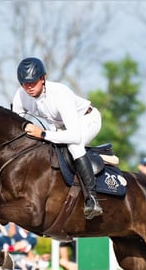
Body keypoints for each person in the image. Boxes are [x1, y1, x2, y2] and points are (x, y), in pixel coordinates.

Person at [11, 57, 103, 219]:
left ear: (43, 78)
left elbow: (74, 135)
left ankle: (92, 199)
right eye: (25, 84)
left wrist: (44, 134)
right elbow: (15, 126)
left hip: (86, 119)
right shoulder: (20, 96)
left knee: (74, 146)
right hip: (59, 125)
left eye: (33, 82)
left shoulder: (60, 93)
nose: (29, 87)